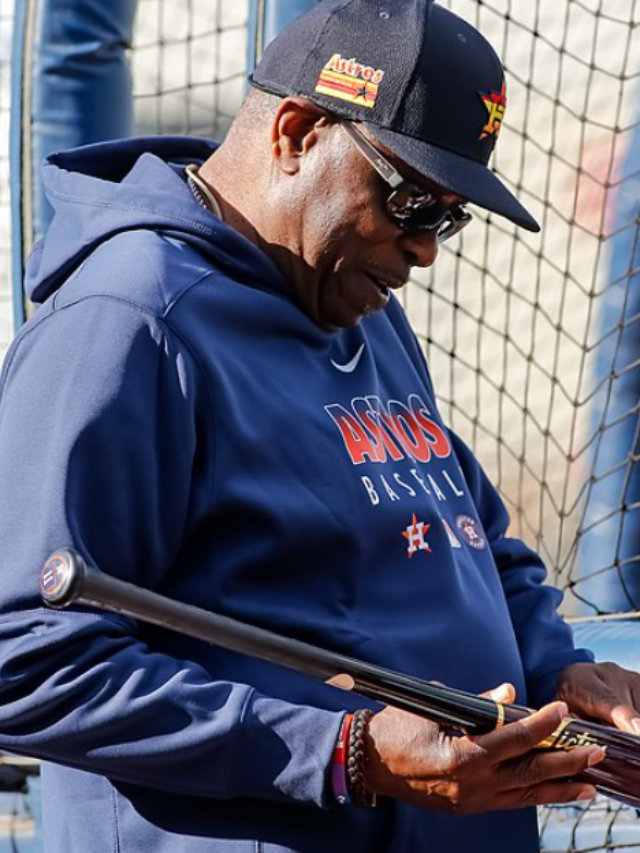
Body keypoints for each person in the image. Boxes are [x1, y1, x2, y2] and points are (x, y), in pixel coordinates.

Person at [1, 1, 640, 851]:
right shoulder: (129, 320)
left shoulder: (356, 303)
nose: (427, 250)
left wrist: (557, 667)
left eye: (450, 217)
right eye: (413, 201)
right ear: (297, 131)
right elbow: (24, 659)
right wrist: (345, 753)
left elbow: (468, 535)